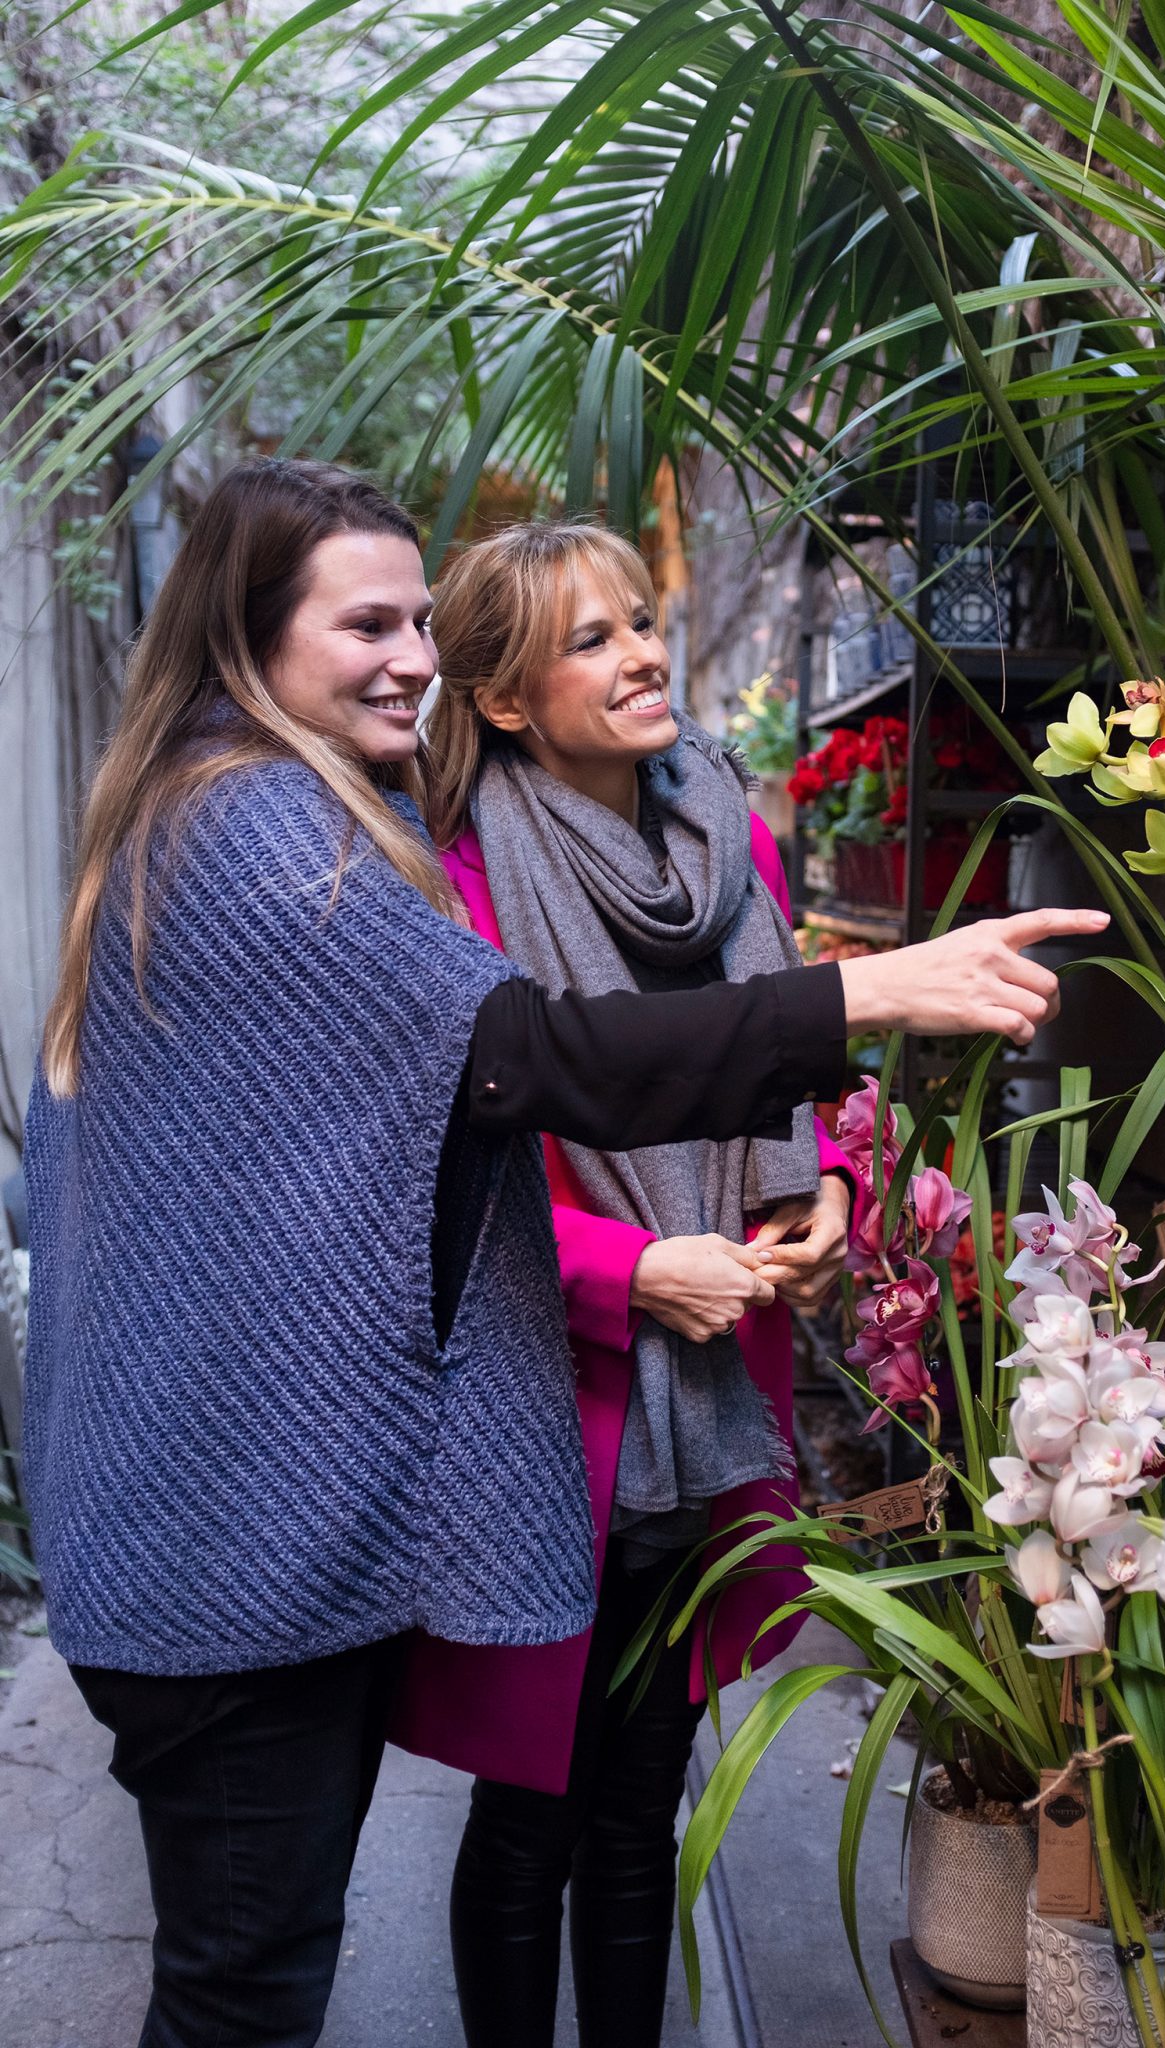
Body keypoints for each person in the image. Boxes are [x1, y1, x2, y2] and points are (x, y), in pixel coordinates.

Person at [22, 457, 1107, 2048]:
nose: (410, 657)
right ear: (248, 641)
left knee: (289, 1956)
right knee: (253, 1982)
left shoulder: (265, 808)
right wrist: (866, 997)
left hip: (237, 1524)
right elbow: (533, 1064)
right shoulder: (271, 834)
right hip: (229, 1539)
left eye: (419, 621)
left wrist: (798, 1159)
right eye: (366, 623)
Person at [390, 522, 858, 2048]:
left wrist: (830, 1181)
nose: (643, 652)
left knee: (642, 1794)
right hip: (559, 1394)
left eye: (639, 621)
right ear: (510, 697)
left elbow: (796, 1049)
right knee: (533, 1801)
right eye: (589, 638)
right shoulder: (448, 873)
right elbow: (446, 1158)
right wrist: (634, 1268)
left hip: (717, 1383)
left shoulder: (728, 825)